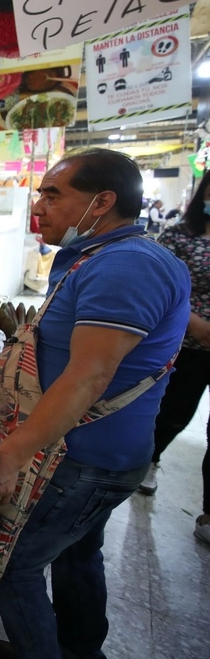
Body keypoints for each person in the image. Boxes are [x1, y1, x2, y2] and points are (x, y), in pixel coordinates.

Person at [0, 148, 190, 659]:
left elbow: (90, 376)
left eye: (53, 195)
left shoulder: (127, 265)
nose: (39, 206)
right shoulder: (94, 256)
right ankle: (79, 650)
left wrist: (10, 454)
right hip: (97, 457)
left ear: (101, 202)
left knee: (16, 568)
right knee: (77, 553)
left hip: (83, 459)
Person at [140, 173, 210, 543]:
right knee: (175, 411)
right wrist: (194, 323)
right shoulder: (181, 235)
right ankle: (152, 461)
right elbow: (159, 285)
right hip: (188, 342)